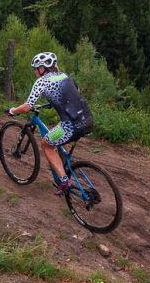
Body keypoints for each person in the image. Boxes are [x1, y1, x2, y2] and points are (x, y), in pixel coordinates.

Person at [6, 52, 94, 196]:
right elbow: (72, 96)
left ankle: (65, 181)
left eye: (35, 68)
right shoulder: (65, 76)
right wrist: (52, 103)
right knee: (60, 132)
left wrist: (13, 111)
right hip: (87, 120)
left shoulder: (42, 82)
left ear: (42, 69)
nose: (35, 71)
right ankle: (64, 163)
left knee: (46, 144)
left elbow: (28, 106)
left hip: (71, 126)